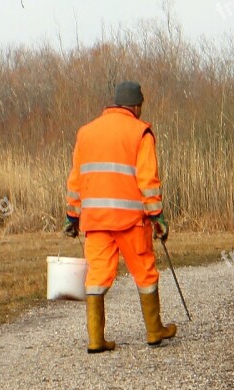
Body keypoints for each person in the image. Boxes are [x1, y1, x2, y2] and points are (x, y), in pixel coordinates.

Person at [63, 81, 177, 354]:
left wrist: (72, 215)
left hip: (95, 220)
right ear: (136, 106)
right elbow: (148, 180)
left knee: (97, 275)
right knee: (145, 273)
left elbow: (76, 179)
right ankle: (153, 332)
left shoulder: (86, 133)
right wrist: (157, 216)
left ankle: (95, 339)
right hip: (131, 221)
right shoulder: (141, 132)